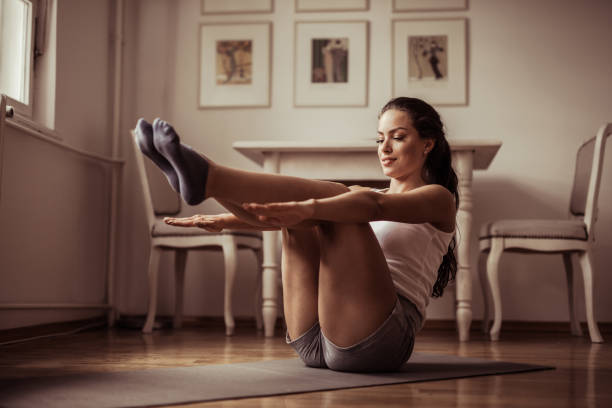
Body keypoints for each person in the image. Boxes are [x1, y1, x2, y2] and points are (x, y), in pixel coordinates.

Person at [133, 97, 458, 373]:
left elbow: (374, 206)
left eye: (398, 137)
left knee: (338, 201)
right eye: (379, 139)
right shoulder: (367, 197)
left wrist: (315, 206)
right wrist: (225, 219)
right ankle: (206, 184)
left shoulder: (439, 199)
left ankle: (209, 176)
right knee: (308, 219)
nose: (384, 148)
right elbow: (293, 217)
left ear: (427, 143)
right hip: (315, 341)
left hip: (380, 342)